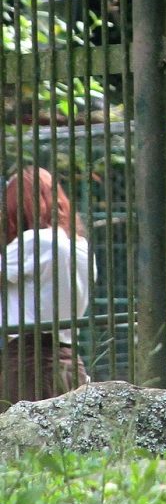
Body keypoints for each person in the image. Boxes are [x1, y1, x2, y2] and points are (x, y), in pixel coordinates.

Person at [0, 167, 93, 406]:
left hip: (29, 360)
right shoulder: (81, 246)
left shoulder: (35, 242)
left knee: (21, 441)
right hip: (70, 361)